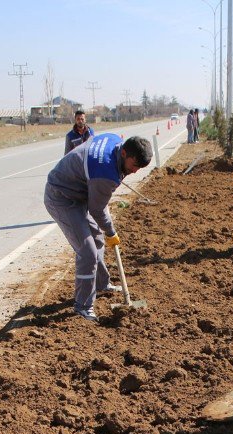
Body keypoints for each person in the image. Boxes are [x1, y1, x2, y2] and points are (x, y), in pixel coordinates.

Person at [44, 133, 153, 322]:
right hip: (62, 197)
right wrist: (111, 231)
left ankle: (102, 284)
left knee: (97, 240)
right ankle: (83, 306)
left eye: (140, 168)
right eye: (134, 166)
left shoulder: (114, 140)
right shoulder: (106, 173)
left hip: (80, 192)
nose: (135, 171)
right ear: (125, 153)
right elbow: (97, 209)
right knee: (87, 252)